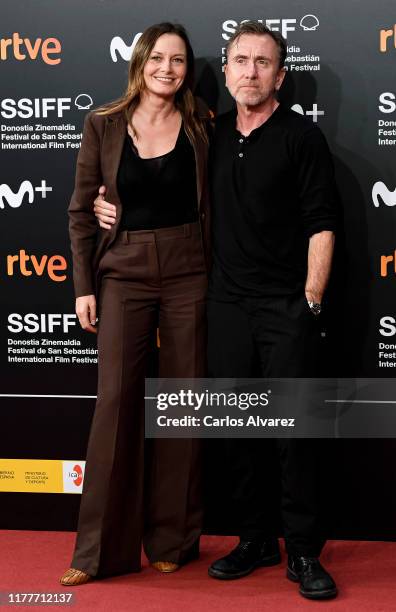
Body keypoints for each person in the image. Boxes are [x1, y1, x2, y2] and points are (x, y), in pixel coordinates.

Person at [94, 21, 339, 600]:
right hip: (223, 304)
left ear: (280, 74)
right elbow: (156, 179)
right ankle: (254, 540)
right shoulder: (210, 133)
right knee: (238, 434)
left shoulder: (303, 139)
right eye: (240, 61)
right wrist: (109, 202)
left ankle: (303, 552)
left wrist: (310, 300)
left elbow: (322, 223)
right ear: (224, 72)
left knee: (294, 434)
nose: (250, 71)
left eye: (262, 62)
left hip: (287, 308)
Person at [60, 22, 211, 586]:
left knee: (183, 402)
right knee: (116, 404)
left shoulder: (202, 126)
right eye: (158, 58)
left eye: (178, 60)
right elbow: (81, 210)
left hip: (190, 270)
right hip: (122, 271)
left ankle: (174, 538)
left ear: (186, 69)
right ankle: (98, 552)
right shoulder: (102, 123)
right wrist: (83, 285)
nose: (167, 68)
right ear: (140, 61)